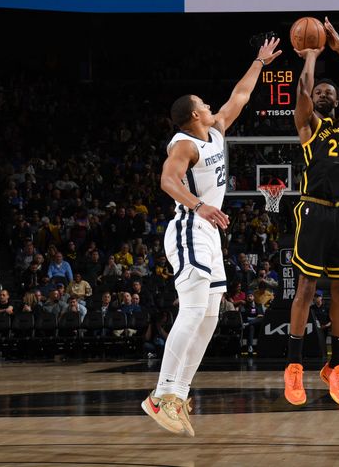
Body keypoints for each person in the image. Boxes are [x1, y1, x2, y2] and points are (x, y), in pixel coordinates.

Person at [142, 36, 281, 437]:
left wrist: (259, 62)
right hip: (189, 227)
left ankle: (179, 392)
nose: (209, 105)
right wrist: (198, 205)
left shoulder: (215, 130)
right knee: (191, 310)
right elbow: (167, 181)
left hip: (208, 233)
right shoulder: (183, 144)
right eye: (203, 103)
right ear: (193, 116)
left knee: (210, 315)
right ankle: (161, 394)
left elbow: (239, 96)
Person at [284, 17, 339, 407]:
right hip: (314, 211)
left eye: (328, 91)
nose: (321, 93)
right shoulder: (309, 127)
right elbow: (302, 90)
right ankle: (294, 367)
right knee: (305, 287)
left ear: (337, 100)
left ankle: (337, 367)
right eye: (319, 90)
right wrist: (311, 56)